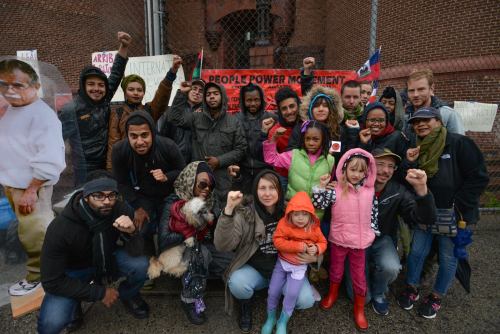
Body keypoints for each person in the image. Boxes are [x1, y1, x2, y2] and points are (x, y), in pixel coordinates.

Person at [398, 107, 488, 319]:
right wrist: (408, 162)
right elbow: (405, 178)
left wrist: (459, 205)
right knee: (417, 252)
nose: (420, 124)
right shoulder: (417, 148)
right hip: (425, 210)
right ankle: (412, 287)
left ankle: (437, 296)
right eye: (416, 122)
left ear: (438, 121)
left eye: (426, 120)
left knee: (448, 257)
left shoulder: (458, 143)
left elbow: (479, 177)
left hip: (454, 214)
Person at [38, 173, 150, 334]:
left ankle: (128, 295)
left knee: (141, 265)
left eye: (112, 195)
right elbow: (51, 281)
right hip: (73, 272)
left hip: (108, 259)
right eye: (98, 195)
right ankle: (74, 303)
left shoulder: (120, 208)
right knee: (51, 323)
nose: (107, 201)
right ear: (85, 197)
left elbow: (137, 251)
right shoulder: (60, 228)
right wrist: (100, 293)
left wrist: (132, 233)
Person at [214, 171, 317, 332]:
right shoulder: (245, 213)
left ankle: (284, 312)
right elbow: (222, 245)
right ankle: (246, 304)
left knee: (306, 300)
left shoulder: (292, 213)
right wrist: (228, 210)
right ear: (255, 190)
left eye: (272, 188)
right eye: (262, 188)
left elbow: (316, 240)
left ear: (279, 191)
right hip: (256, 270)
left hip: (287, 270)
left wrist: (315, 257)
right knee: (237, 283)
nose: (267, 193)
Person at [343, 148, 437, 316]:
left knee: (391, 267)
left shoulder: (398, 191)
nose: (385, 170)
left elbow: (422, 218)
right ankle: (361, 276)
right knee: (360, 299)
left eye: (391, 166)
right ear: (369, 165)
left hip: (382, 238)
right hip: (355, 242)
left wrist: (422, 191)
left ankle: (380, 292)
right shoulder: (352, 186)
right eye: (380, 164)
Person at [0, 59, 66, 296]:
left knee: (35, 233)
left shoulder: (42, 116)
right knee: (28, 231)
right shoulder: (9, 109)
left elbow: (49, 157)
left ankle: (41, 276)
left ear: (35, 86)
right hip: (12, 183)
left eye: (18, 85)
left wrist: (31, 189)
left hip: (29, 187)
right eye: (4, 85)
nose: (10, 91)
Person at [157, 161, 234, 325]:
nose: (207, 189)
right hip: (179, 251)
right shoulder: (173, 203)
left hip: (203, 246)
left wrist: (222, 217)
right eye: (202, 184)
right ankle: (189, 299)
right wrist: (191, 229)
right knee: (200, 255)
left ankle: (199, 277)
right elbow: (164, 240)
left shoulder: (211, 202)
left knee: (233, 263)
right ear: (190, 181)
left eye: (210, 185)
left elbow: (217, 232)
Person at [312, 148, 379, 331]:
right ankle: (332, 294)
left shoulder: (369, 191)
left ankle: (359, 309)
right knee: (336, 269)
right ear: (344, 169)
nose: (356, 174)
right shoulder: (336, 189)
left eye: (361, 171)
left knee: (359, 276)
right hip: (339, 240)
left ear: (367, 172)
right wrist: (322, 186)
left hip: (360, 244)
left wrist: (373, 231)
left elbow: (374, 214)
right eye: (352, 169)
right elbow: (319, 204)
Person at [59, 32, 131, 185]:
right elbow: (57, 140)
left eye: (100, 85)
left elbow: (116, 73)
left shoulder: (104, 100)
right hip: (84, 168)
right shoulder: (70, 109)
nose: (96, 89)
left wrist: (124, 46)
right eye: (91, 84)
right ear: (83, 86)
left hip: (107, 163)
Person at [112, 111, 185, 255]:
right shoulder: (120, 150)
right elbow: (122, 182)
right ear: (127, 135)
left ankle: (169, 266)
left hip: (168, 195)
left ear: (152, 133)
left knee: (168, 234)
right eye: (133, 136)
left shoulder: (168, 146)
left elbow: (184, 172)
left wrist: (166, 177)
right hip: (142, 196)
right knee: (141, 230)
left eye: (144, 135)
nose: (139, 142)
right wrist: (138, 207)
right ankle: (148, 263)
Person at [167, 81, 247, 207]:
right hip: (199, 180)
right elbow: (174, 118)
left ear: (223, 97)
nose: (211, 96)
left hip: (223, 179)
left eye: (215, 94)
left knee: (221, 215)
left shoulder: (233, 122)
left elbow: (241, 149)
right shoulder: (196, 118)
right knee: (199, 216)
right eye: (208, 94)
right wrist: (181, 93)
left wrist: (219, 161)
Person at [261, 191, 327, 334]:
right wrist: (298, 246)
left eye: (304, 214)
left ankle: (282, 321)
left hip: (299, 268)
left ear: (310, 214)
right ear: (290, 213)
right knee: (273, 291)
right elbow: (277, 241)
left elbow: (323, 242)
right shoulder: (284, 224)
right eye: (296, 214)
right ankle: (270, 317)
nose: (300, 218)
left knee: (292, 294)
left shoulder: (313, 228)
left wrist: (316, 248)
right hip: (282, 263)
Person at [106, 55, 182, 170]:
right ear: (125, 92)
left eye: (139, 90)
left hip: (149, 162)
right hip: (127, 164)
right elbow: (113, 144)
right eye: (131, 89)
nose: (136, 93)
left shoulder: (149, 110)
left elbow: (161, 97)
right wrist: (112, 170)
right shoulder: (118, 113)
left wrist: (171, 74)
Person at [263, 121, 334, 219]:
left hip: (316, 216)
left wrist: (333, 185)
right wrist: (274, 139)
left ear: (323, 140)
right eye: (307, 139)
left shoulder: (329, 160)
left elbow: (331, 182)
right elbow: (271, 159)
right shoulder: (293, 155)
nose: (311, 143)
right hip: (294, 212)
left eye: (316, 139)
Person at [232, 82, 275, 194]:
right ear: (243, 101)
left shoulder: (271, 118)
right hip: (243, 171)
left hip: (265, 170)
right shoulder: (236, 119)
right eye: (249, 100)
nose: (253, 103)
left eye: (256, 100)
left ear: (261, 100)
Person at [258, 86, 301, 191]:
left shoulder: (307, 125)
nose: (289, 111)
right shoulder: (274, 131)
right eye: (284, 108)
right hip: (284, 178)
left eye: (292, 106)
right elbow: (268, 158)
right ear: (280, 111)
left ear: (298, 106)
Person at [404, 68, 465, 135]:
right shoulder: (405, 116)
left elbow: (459, 143)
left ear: (431, 89)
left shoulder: (448, 114)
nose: (415, 94)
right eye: (411, 90)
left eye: (421, 89)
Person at [160, 77, 205, 163]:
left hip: (196, 161)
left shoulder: (207, 114)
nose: (197, 92)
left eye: (201, 91)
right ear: (188, 90)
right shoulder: (173, 110)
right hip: (173, 159)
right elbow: (163, 135)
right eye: (194, 89)